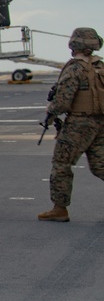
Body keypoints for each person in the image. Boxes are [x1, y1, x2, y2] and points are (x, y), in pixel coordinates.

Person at [37, 27, 104, 222]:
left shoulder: (75, 68)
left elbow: (63, 102)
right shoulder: (100, 66)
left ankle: (59, 209)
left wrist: (51, 112)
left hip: (79, 125)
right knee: (100, 165)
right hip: (101, 123)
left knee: (61, 164)